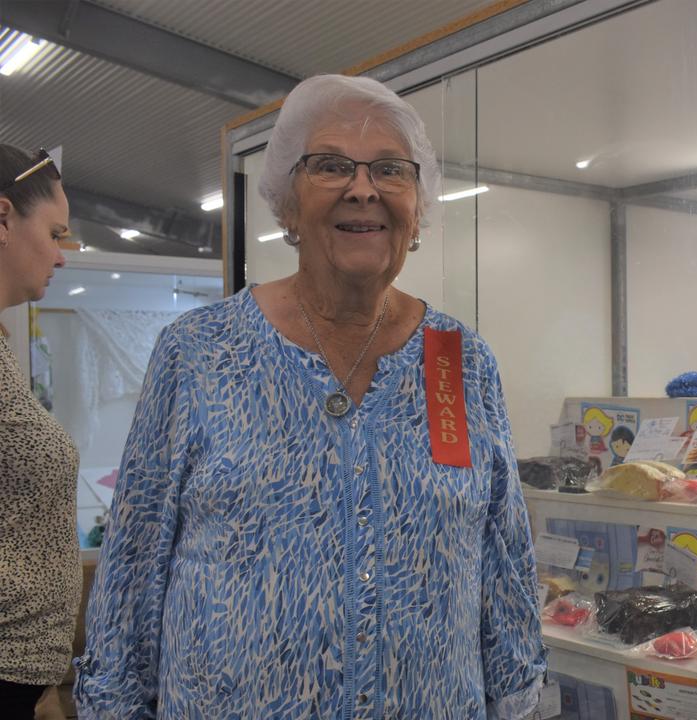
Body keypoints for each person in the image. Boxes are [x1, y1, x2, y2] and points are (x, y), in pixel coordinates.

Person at [75, 75, 546, 719]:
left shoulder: (460, 360)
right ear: (286, 206)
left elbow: (505, 559)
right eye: (329, 166)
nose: (363, 187)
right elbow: (134, 562)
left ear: (417, 212)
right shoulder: (198, 353)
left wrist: (517, 700)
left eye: (390, 169)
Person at [0, 144, 79, 718]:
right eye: (55, 235)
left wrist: (47, 679)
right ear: (3, 219)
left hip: (25, 679)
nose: (61, 257)